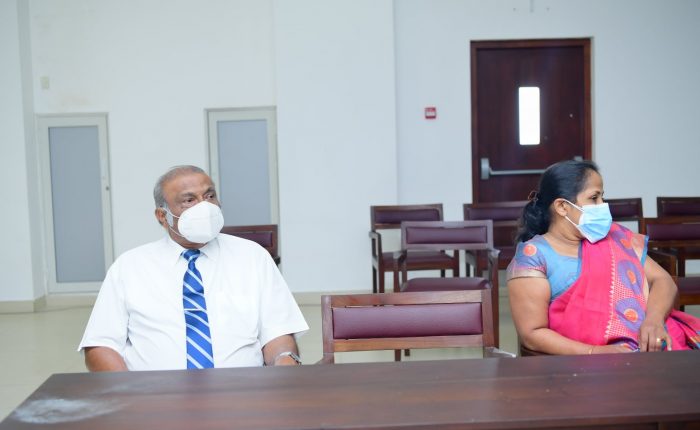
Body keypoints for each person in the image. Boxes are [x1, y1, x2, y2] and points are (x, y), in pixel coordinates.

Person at [79, 165, 308, 371]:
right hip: (153, 396)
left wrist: (284, 361)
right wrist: (130, 394)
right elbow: (101, 345)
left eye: (209, 196)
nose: (204, 207)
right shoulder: (129, 267)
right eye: (189, 200)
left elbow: (278, 333)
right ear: (162, 216)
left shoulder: (253, 257)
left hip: (242, 393)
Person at [507, 160, 700, 355]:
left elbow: (663, 280)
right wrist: (594, 352)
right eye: (594, 198)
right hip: (585, 363)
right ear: (562, 207)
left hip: (654, 347)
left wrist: (654, 320)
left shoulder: (615, 237)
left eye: (602, 197)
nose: (602, 205)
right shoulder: (533, 256)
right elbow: (532, 333)